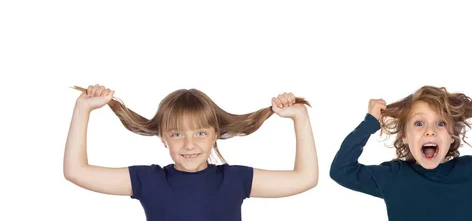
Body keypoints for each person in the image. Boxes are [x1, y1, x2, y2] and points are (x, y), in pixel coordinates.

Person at [63, 84, 318, 221]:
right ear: (163, 137)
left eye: (200, 133)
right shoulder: (148, 180)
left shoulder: (234, 180)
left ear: (215, 134)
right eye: (176, 134)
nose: (189, 144)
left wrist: (300, 117)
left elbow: (305, 178)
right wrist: (82, 109)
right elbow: (76, 172)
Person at [329, 85, 472, 221]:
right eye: (419, 123)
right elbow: (341, 170)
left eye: (440, 123)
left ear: (452, 135)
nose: (429, 130)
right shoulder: (392, 176)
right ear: (404, 135)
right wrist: (369, 123)